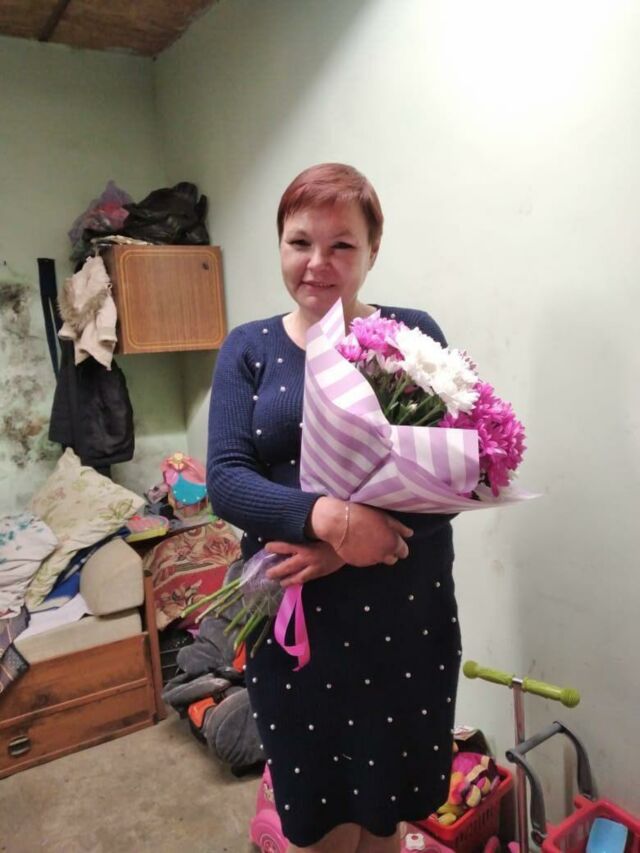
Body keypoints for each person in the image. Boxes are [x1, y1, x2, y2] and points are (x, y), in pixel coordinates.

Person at [207, 164, 460, 853]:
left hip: (404, 616)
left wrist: (345, 550)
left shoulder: (411, 336)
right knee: (317, 825)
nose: (317, 263)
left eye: (341, 244)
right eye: (299, 242)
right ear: (280, 246)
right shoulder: (249, 348)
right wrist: (330, 522)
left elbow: (456, 474)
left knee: (388, 819)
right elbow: (226, 478)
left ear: (373, 249)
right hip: (298, 628)